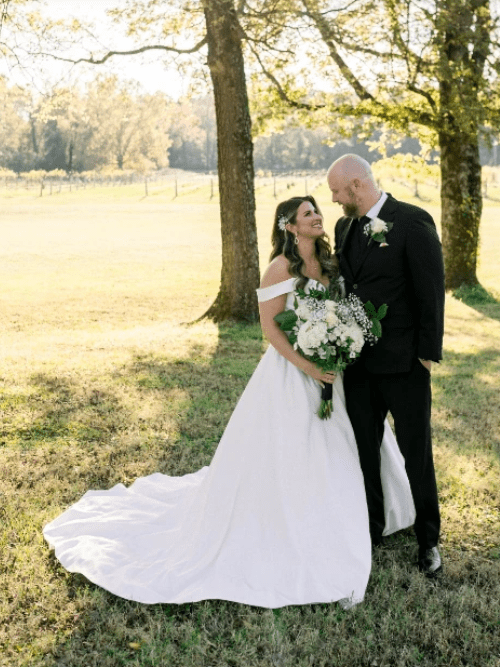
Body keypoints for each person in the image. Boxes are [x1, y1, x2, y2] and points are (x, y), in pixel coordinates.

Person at [43, 195, 415, 609]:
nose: (317, 217)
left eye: (316, 211)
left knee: (348, 443)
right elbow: (272, 331)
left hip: (333, 371)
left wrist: (336, 349)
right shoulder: (279, 268)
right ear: (289, 226)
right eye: (307, 213)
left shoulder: (330, 263)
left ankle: (361, 516)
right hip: (292, 375)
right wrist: (309, 367)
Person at [327, 154, 445, 577]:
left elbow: (431, 290)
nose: (335, 200)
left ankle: (429, 541)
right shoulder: (345, 226)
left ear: (356, 186)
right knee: (365, 452)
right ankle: (371, 529)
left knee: (417, 454)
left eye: (338, 192)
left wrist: (428, 354)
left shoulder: (412, 222)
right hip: (358, 366)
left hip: (405, 365)